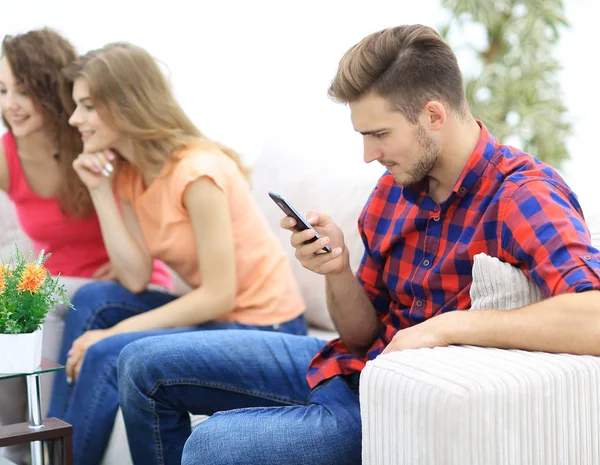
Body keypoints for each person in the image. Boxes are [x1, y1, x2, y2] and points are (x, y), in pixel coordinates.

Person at [115, 24, 600, 465]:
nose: (369, 155)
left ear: (434, 115)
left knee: (211, 447)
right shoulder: (393, 191)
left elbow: (593, 316)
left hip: (388, 401)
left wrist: (449, 326)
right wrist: (337, 271)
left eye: (379, 135)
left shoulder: (521, 195)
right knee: (141, 366)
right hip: (349, 364)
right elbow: (359, 335)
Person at [45, 42, 307, 465]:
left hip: (266, 327)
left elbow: (219, 295)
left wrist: (112, 334)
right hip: (218, 320)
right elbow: (134, 277)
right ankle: (50, 452)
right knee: (92, 299)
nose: (76, 119)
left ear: (127, 104)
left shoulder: (197, 172)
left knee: (111, 351)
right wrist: (100, 191)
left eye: (88, 106)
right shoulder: (129, 174)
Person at [0, 29, 171, 465]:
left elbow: (146, 219)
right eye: (2, 91)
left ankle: (43, 451)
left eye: (23, 90)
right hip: (56, 286)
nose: (10, 104)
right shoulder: (7, 154)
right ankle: (18, 450)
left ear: (49, 89)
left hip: (119, 287)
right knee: (17, 303)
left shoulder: (94, 142)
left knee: (41, 302)